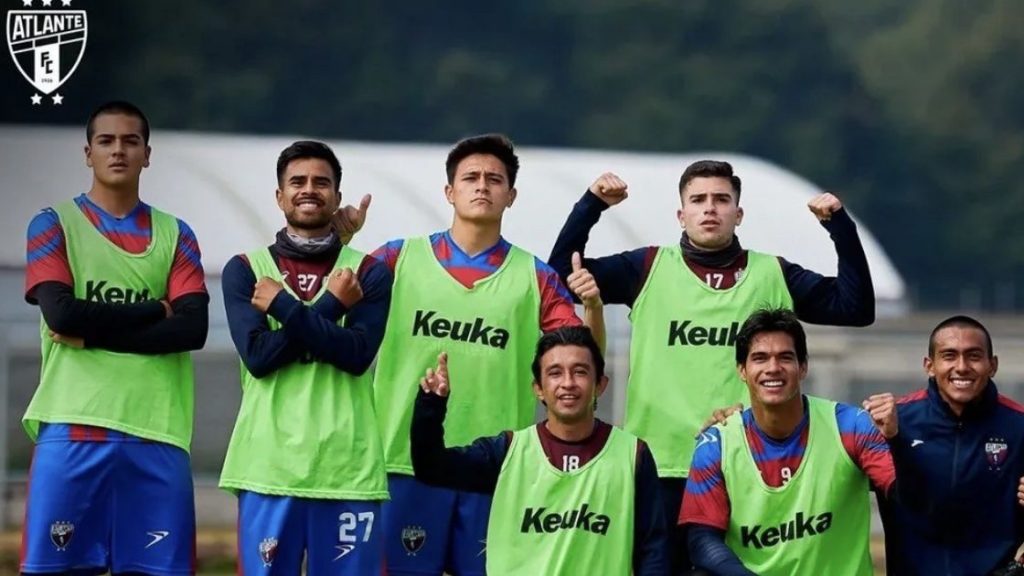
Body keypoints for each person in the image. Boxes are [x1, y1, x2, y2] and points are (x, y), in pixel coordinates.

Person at [548, 160, 875, 572]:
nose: (709, 208)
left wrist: (840, 227)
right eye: (698, 200)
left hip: (744, 467)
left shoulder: (772, 273)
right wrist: (591, 204)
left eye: (721, 200)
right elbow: (558, 275)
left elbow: (855, 307)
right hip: (662, 465)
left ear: (738, 214)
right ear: (681, 214)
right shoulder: (646, 267)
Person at [351, 133, 603, 575]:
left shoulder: (536, 277)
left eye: (494, 179)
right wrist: (340, 241)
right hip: (402, 462)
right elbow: (330, 311)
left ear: (511, 196)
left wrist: (595, 308)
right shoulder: (396, 258)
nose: (482, 186)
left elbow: (584, 360)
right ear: (449, 191)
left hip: (495, 467)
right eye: (470, 178)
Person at [21, 101, 208, 575]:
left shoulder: (177, 235)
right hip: (73, 427)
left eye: (130, 141)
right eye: (106, 141)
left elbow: (192, 329)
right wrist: (152, 309)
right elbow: (62, 313)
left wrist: (91, 335)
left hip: (157, 432)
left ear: (148, 154)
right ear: (88, 153)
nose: (118, 150)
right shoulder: (52, 224)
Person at [218, 141, 391, 574]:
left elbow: (356, 355)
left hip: (348, 471)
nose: (309, 189)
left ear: (336, 196)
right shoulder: (246, 268)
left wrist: (283, 307)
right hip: (268, 469)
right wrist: (332, 306)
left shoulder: (367, 271)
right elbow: (260, 358)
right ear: (280, 196)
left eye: (321, 182)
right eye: (297, 182)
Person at [412, 325, 667, 575]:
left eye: (580, 372)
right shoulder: (508, 451)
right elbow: (430, 468)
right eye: (555, 373)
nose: (568, 383)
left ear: (600, 384)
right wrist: (430, 406)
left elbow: (653, 551)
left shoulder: (633, 455)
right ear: (538, 388)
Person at [680, 308, 894, 575]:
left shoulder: (851, 426)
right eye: (760, 358)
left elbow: (906, 494)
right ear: (742, 370)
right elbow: (702, 540)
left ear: (803, 367)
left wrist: (896, 438)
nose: (773, 368)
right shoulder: (716, 443)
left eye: (785, 357)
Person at [864, 315, 1024, 575]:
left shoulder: (1019, 426)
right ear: (929, 365)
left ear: (992, 365)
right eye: (949, 356)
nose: (961, 367)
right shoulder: (893, 423)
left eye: (973, 356)